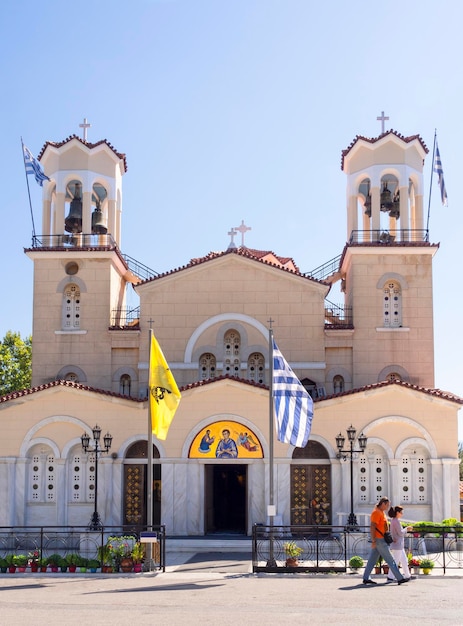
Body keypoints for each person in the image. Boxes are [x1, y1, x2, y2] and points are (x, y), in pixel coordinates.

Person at [362, 497, 410, 585]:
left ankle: (366, 577)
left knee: (372, 560)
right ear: (383, 504)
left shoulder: (381, 512)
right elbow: (373, 526)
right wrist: (373, 541)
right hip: (379, 539)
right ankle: (400, 578)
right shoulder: (376, 512)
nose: (388, 507)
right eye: (387, 505)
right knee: (390, 559)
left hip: (380, 539)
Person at [386, 505, 414, 582]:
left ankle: (407, 575)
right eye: (401, 512)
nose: (402, 514)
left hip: (398, 545)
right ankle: (390, 577)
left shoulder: (394, 520)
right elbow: (400, 533)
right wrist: (407, 529)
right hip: (397, 545)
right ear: (397, 512)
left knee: (404, 560)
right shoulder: (396, 521)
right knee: (396, 562)